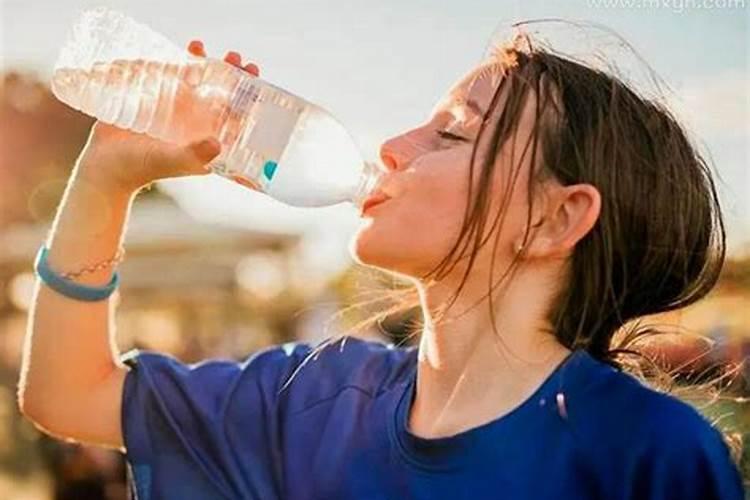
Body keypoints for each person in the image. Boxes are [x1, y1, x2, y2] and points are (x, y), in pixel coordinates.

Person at [18, 28, 744, 499]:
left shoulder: (648, 456)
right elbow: (67, 394)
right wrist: (106, 180)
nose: (394, 145)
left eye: (451, 133)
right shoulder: (314, 396)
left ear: (555, 218)